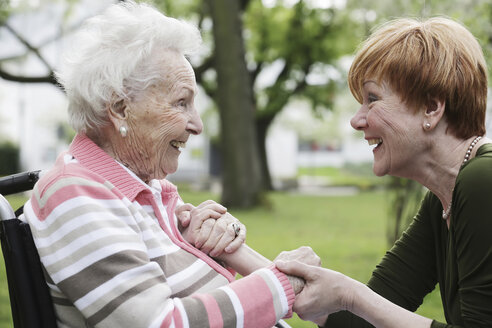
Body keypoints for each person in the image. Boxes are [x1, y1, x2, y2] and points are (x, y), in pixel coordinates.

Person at [21, 2, 316, 327]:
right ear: (120, 108)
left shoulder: (146, 189)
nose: (197, 125)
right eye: (181, 102)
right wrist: (281, 283)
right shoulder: (74, 195)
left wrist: (224, 242)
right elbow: (160, 323)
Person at [276, 17, 492, 328]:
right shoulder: (443, 200)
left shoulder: (482, 181)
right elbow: (359, 321)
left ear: (432, 108)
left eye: (373, 99)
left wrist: (350, 294)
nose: (356, 120)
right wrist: (231, 249)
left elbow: (360, 305)